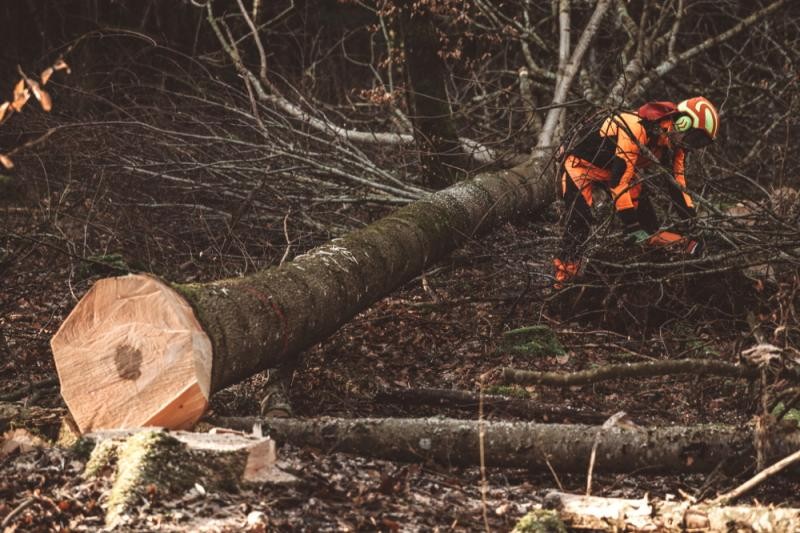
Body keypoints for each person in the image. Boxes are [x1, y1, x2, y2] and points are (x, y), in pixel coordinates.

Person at [552, 96, 719, 287]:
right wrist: (631, 226)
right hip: (581, 166)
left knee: (649, 228)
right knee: (579, 220)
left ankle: (672, 256)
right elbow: (618, 182)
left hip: (619, 172)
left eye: (699, 143)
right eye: (695, 138)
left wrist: (692, 223)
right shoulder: (636, 126)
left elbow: (678, 185)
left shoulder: (676, 147)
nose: (692, 145)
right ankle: (563, 280)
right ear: (683, 122)